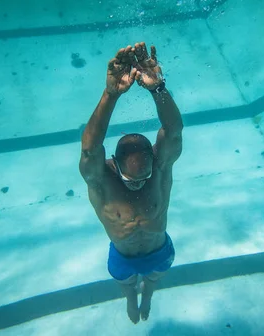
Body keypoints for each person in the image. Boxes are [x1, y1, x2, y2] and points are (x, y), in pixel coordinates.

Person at [79, 42, 183, 324]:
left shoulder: (160, 170)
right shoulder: (101, 180)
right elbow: (90, 149)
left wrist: (157, 88)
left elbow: (173, 132)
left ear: (154, 160)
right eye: (130, 179)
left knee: (153, 280)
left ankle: (147, 294)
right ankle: (130, 298)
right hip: (123, 257)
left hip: (159, 250)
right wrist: (110, 95)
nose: (138, 185)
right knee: (126, 285)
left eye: (143, 178)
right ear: (114, 163)